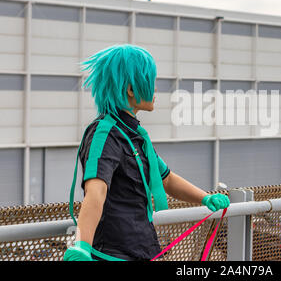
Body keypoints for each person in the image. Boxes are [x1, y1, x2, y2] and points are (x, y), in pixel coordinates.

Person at [63, 44, 229, 261]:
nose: (155, 89)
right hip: (113, 255)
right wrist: (82, 247)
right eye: (151, 80)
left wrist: (206, 198)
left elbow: (166, 178)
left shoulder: (135, 134)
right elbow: (96, 192)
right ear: (131, 89)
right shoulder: (105, 133)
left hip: (144, 250)